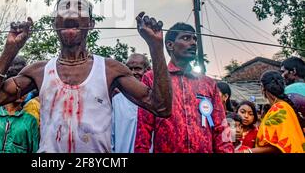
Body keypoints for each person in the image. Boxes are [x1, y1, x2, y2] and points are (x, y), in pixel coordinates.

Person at [0, 0, 172, 153]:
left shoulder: (110, 69)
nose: (71, 12)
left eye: (79, 8)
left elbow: (161, 107)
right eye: (64, 8)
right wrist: (10, 50)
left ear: (91, 23)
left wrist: (156, 48)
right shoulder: (39, 71)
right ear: (55, 23)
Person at [134, 23, 233, 153]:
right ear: (170, 45)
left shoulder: (208, 83)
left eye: (194, 39)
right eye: (186, 38)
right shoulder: (152, 78)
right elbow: (143, 127)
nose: (193, 43)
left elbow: (221, 127)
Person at [239, 71, 304, 153]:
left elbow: (278, 146)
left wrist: (247, 151)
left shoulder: (279, 109)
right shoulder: (284, 106)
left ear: (262, 88)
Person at [112, 53, 149, 153]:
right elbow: (110, 136)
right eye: (129, 69)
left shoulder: (154, 101)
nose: (133, 73)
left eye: (137, 68)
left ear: (147, 70)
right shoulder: (117, 101)